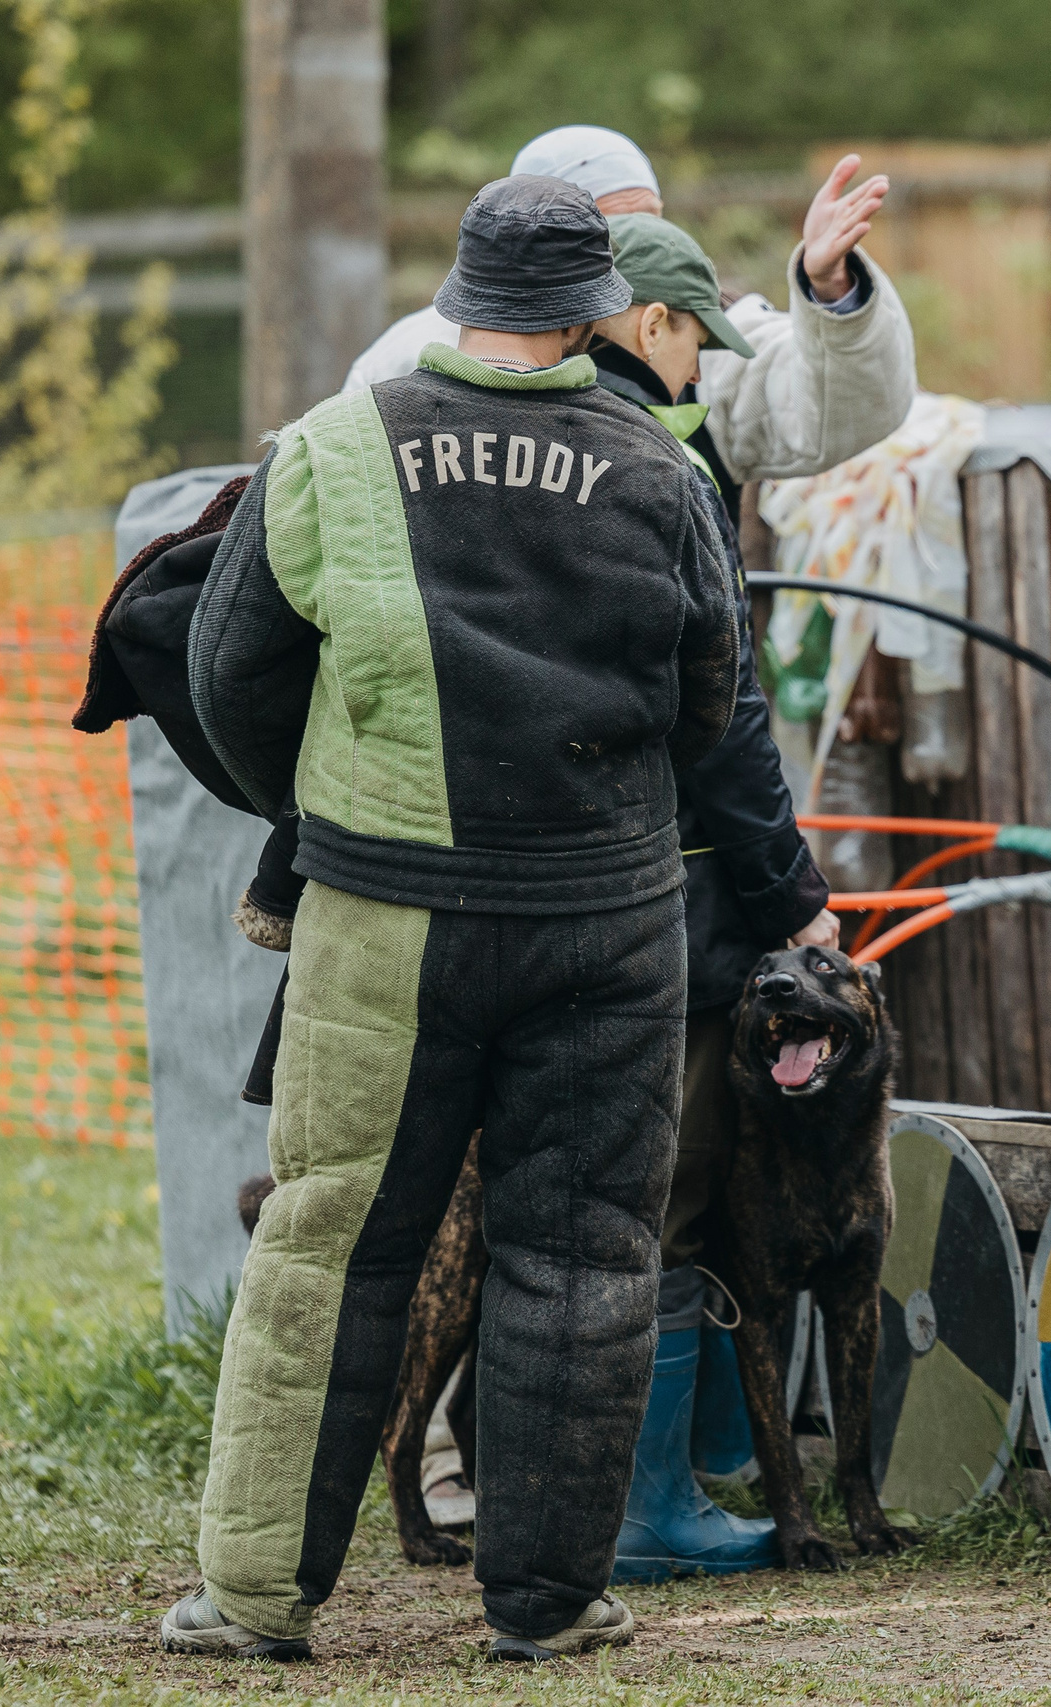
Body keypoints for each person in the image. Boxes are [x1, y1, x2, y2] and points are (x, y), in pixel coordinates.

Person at [163, 175, 740, 1665]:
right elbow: (710, 699)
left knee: (330, 1240)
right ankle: (547, 1606)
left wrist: (336, 801)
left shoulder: (334, 445)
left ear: (458, 295)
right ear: (597, 314)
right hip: (606, 924)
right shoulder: (662, 470)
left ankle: (254, 1598)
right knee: (585, 1255)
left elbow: (228, 673)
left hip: (386, 913)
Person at [579, 212, 839, 1583]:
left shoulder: (506, 436)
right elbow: (725, 714)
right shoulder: (663, 467)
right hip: (666, 896)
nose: (698, 374)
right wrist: (793, 894)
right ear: (652, 324)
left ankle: (556, 1489)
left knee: (563, 1196)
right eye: (695, 345)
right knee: (666, 1199)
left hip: (516, 887)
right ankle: (648, 1509)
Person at [345, 125, 913, 515]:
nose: (645, 241)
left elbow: (841, 411)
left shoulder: (700, 333)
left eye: (654, 220)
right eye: (615, 229)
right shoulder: (418, 355)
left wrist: (831, 287)